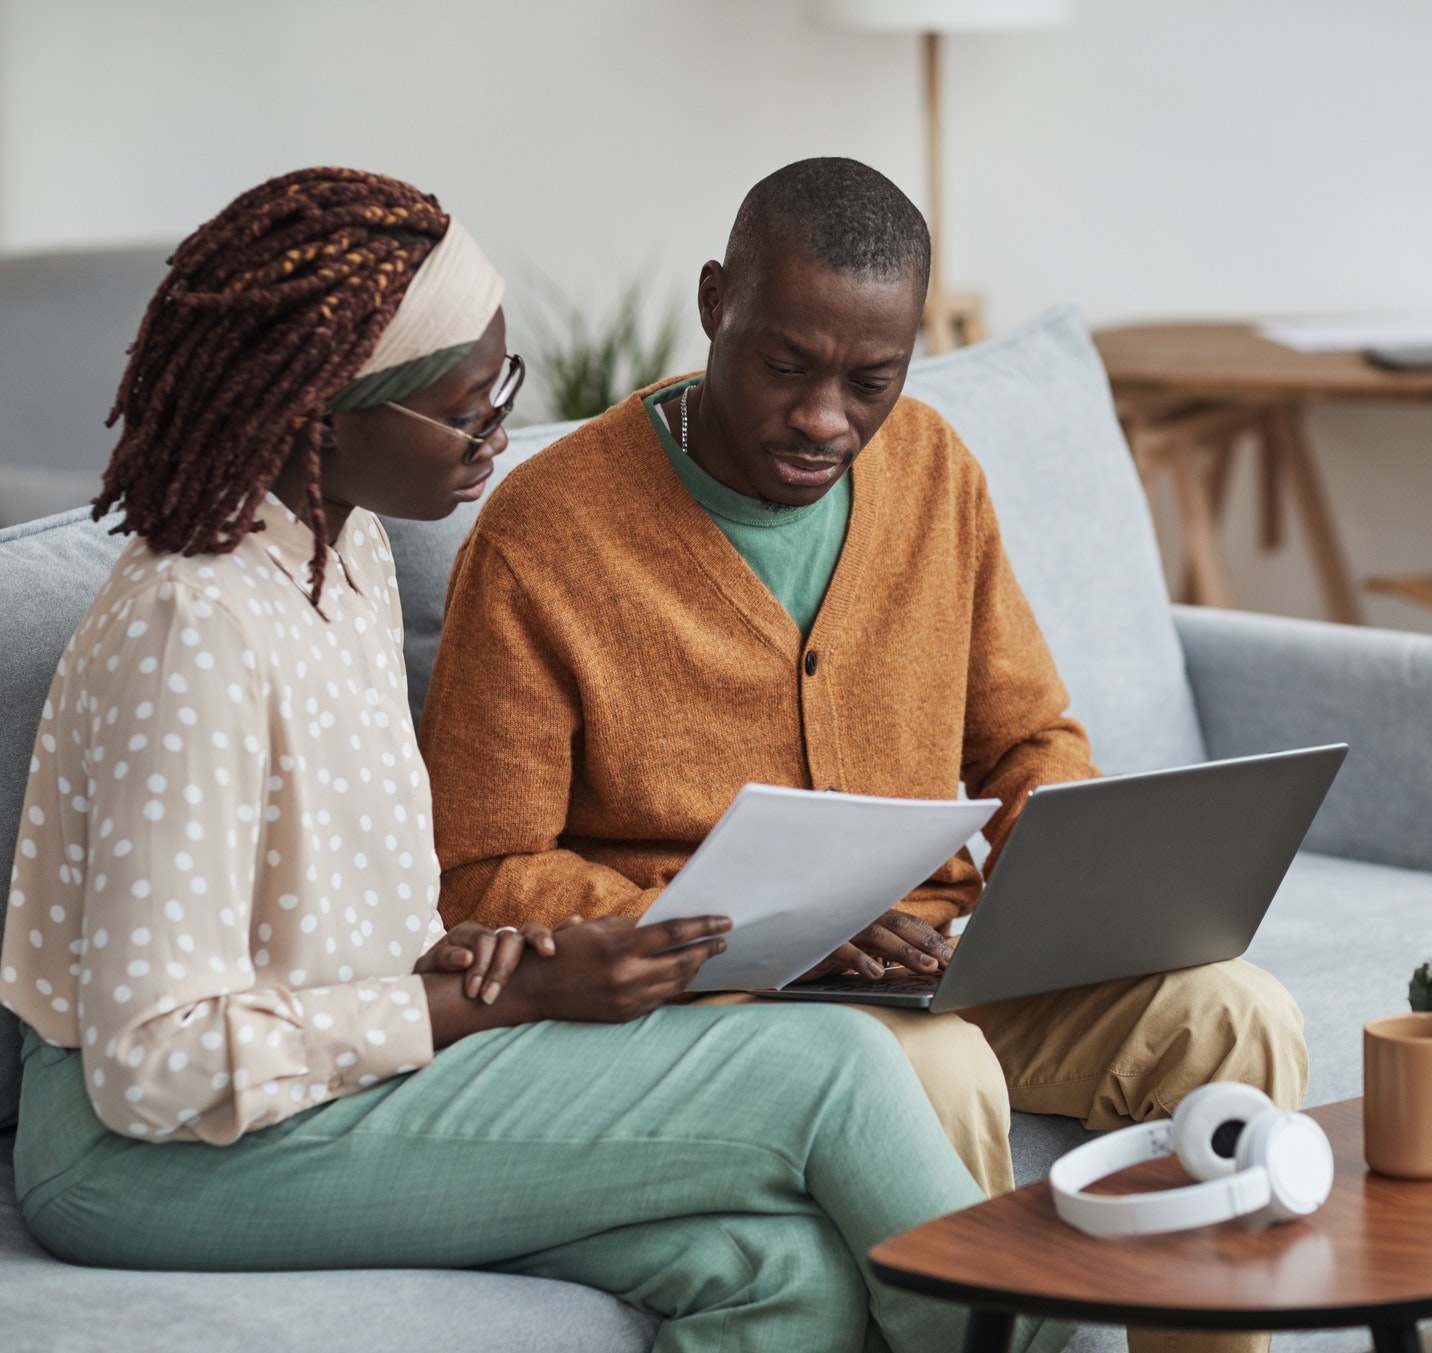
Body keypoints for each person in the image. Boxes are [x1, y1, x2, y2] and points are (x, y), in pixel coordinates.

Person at [0, 167, 1062, 1353]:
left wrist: (491, 955)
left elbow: (328, 911)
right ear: (322, 416)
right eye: (462, 411)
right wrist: (477, 1001)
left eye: (499, 386)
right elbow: (151, 1067)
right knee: (834, 1072)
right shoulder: (189, 629)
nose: (498, 435)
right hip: (153, 1156)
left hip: (326, 1086)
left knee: (785, 1274)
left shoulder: (332, 555)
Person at [418, 157, 1306, 1353]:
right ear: (713, 300)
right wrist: (763, 920)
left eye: (869, 380)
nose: (824, 418)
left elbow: (1026, 735)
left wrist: (1083, 876)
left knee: (1240, 1018)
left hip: (940, 950)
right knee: (933, 1075)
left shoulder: (933, 470)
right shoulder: (545, 533)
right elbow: (478, 870)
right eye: (786, 365)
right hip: (734, 998)